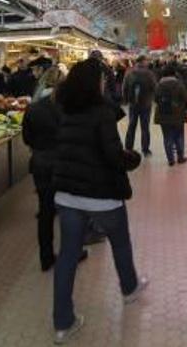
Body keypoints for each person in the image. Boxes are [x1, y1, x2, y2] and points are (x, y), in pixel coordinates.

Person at [51, 58, 148, 344]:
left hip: (67, 195)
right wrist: (132, 158)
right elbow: (112, 154)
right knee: (120, 243)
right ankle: (129, 288)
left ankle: (62, 323)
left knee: (67, 256)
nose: (105, 83)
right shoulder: (102, 113)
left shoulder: (65, 109)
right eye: (102, 79)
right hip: (101, 195)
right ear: (95, 83)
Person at [22, 67, 89, 271]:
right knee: (70, 210)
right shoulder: (72, 108)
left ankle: (46, 257)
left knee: (46, 212)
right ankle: (72, 253)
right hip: (66, 164)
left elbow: (27, 138)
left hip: (41, 164)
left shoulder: (33, 109)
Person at [154, 65, 187, 166]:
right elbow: (185, 98)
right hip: (177, 113)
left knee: (167, 137)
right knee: (179, 135)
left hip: (163, 114)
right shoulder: (179, 84)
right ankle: (180, 157)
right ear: (174, 73)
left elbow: (155, 99)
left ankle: (170, 159)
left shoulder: (159, 85)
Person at [123, 56, 157, 156]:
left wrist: (126, 100)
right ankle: (145, 149)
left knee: (131, 125)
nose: (148, 62)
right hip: (146, 103)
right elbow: (154, 87)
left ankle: (128, 147)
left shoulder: (129, 72)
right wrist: (153, 98)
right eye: (146, 60)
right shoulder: (149, 73)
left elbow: (124, 87)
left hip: (133, 103)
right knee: (145, 127)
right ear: (143, 61)